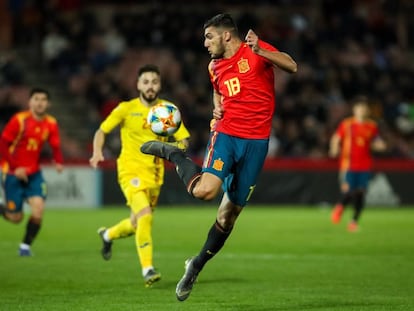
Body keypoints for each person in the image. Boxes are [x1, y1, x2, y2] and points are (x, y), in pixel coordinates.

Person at [141, 13, 297, 300]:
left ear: (227, 35)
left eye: (209, 36)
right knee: (204, 191)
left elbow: (292, 66)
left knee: (227, 218)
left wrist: (261, 49)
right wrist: (218, 109)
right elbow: (218, 91)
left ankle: (196, 265)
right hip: (227, 136)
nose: (205, 43)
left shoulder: (256, 51)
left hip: (257, 144)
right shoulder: (214, 66)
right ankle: (174, 154)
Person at [89, 64, 190, 287]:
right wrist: (97, 151)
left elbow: (184, 141)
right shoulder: (126, 109)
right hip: (129, 171)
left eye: (154, 81)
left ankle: (107, 236)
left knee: (136, 223)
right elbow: (102, 131)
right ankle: (148, 269)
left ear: (160, 85)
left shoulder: (168, 110)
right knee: (145, 216)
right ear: (137, 85)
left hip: (155, 174)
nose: (150, 86)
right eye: (146, 81)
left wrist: (177, 147)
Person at [0, 87, 64, 256]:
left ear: (48, 103)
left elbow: (55, 144)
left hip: (34, 173)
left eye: (43, 99)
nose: (40, 102)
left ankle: (25, 247)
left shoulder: (51, 122)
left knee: (38, 209)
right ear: (30, 102)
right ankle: (2, 207)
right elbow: (3, 144)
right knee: (16, 218)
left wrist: (58, 162)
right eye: (36, 99)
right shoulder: (19, 120)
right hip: (12, 173)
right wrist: (15, 167)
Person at [329, 96, 387, 232]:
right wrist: (334, 148)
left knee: (361, 193)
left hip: (365, 165)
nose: (362, 111)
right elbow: (336, 138)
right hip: (348, 165)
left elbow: (377, 141)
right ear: (354, 110)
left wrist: (381, 145)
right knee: (348, 192)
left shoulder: (372, 126)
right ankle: (340, 206)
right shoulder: (347, 124)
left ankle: (353, 221)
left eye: (364, 109)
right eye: (359, 108)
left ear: (367, 111)